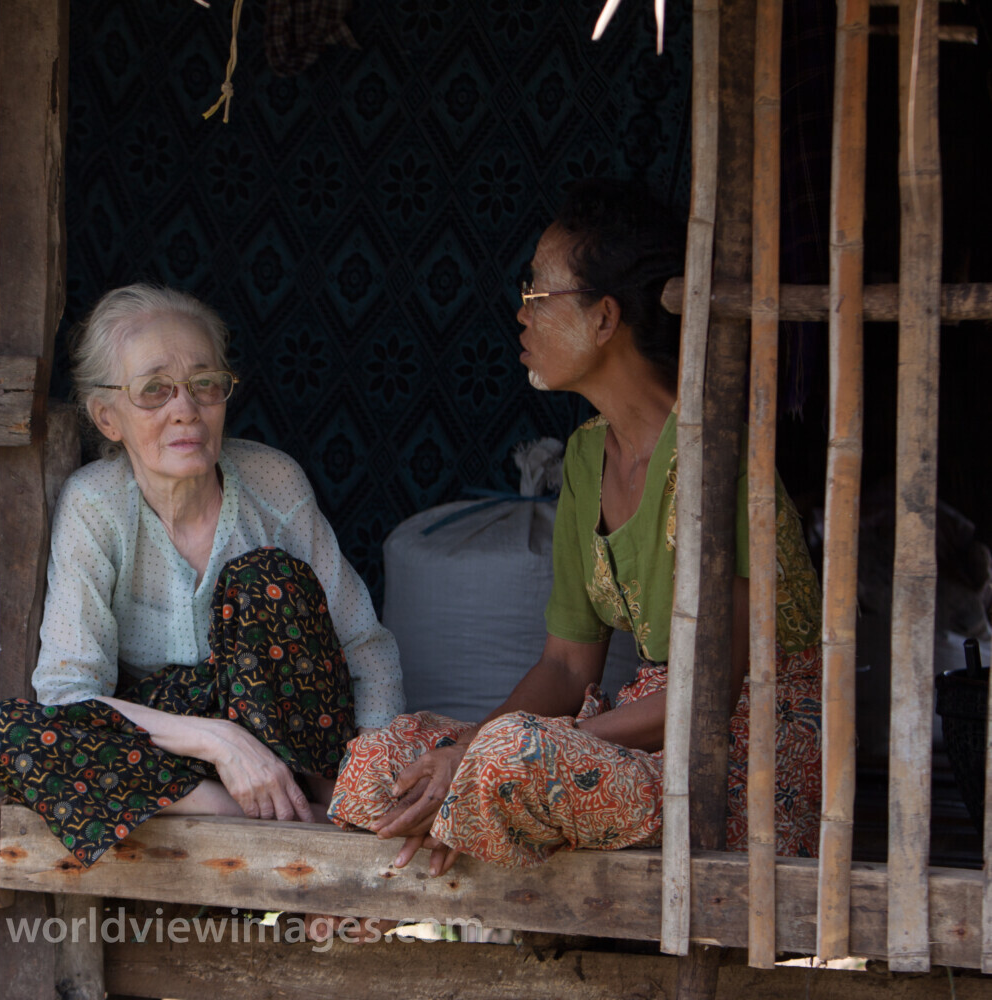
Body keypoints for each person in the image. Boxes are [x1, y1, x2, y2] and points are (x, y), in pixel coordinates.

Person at [328, 178, 822, 876]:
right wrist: (465, 744)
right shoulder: (588, 455)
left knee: (505, 756)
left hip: (737, 767)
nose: (520, 314)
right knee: (394, 752)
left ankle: (466, 822)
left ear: (604, 318)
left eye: (538, 292)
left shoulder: (722, 456)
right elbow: (565, 665)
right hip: (638, 745)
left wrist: (496, 749)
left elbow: (707, 694)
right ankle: (450, 834)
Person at [0, 284, 404, 866]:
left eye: (205, 384)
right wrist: (218, 741)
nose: (186, 409)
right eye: (154, 390)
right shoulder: (96, 505)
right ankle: (236, 813)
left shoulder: (272, 482)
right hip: (176, 754)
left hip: (306, 751)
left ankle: (328, 816)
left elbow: (366, 649)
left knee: (266, 580)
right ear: (108, 416)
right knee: (8, 732)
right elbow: (70, 694)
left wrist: (367, 790)